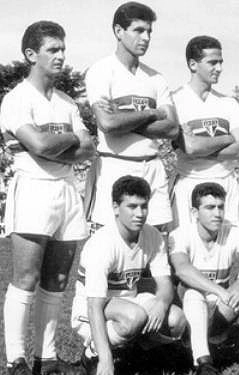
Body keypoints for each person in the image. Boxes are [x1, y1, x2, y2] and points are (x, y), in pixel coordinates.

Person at [0, 21, 96, 375]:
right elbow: (38, 147)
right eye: (53, 49)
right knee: (25, 277)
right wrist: (66, 142)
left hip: (67, 190)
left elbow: (87, 147)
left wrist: (56, 142)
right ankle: (16, 362)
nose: (61, 56)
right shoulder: (16, 99)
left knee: (57, 278)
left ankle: (47, 357)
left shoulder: (67, 102)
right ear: (30, 54)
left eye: (63, 49)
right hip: (34, 188)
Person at [72, 176, 187, 375]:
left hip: (130, 302)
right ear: (116, 207)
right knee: (134, 317)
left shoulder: (153, 236)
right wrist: (106, 360)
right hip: (91, 310)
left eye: (144, 206)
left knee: (176, 319)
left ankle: (136, 351)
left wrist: (161, 304)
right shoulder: (102, 243)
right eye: (132, 206)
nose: (140, 213)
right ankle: (92, 354)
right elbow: (94, 305)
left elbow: (165, 283)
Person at [85, 1, 178, 230]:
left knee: (155, 247)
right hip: (115, 167)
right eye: (138, 30)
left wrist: (123, 118)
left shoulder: (156, 78)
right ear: (118, 31)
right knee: (111, 247)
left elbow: (173, 129)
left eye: (149, 32)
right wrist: (152, 113)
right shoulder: (101, 71)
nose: (145, 37)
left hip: (153, 167)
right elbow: (107, 123)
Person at [169, 182, 239, 375]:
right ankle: (203, 363)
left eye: (220, 207)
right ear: (194, 212)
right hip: (188, 313)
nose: (217, 213)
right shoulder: (180, 234)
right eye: (209, 208)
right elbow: (182, 270)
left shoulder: (233, 232)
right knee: (193, 292)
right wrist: (219, 291)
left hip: (219, 308)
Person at [171, 36, 239, 229]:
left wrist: (201, 146)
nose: (219, 68)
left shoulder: (228, 103)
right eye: (213, 62)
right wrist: (228, 137)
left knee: (226, 251)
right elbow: (190, 147)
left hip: (225, 184)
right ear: (193, 64)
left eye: (221, 62)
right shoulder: (175, 101)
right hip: (189, 183)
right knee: (185, 248)